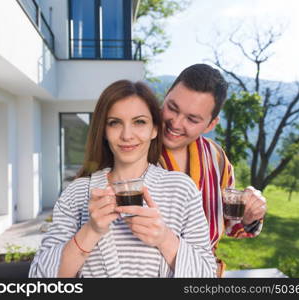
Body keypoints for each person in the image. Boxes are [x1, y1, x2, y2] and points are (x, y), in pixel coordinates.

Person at [29, 80, 217, 278]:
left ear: (154, 129)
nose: (127, 135)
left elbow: (206, 275)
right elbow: (39, 277)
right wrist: (91, 230)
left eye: (139, 122)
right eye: (115, 123)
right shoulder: (77, 193)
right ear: (104, 131)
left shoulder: (182, 189)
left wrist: (164, 239)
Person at [159, 64, 267, 276]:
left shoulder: (217, 158)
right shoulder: (134, 146)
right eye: (172, 107)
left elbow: (231, 225)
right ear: (165, 97)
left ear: (210, 125)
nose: (176, 123)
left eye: (192, 119)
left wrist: (249, 215)